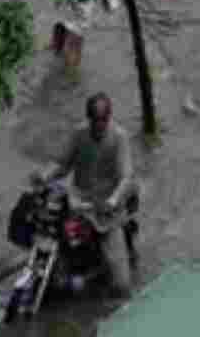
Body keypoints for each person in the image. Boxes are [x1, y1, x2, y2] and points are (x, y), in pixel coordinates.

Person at [42, 92, 138, 297]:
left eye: (104, 120)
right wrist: (44, 176)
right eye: (96, 120)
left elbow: (126, 177)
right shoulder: (78, 134)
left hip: (106, 210)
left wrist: (113, 199)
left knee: (122, 285)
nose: (100, 125)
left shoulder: (119, 138)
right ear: (89, 118)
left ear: (109, 117)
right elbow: (62, 164)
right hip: (79, 203)